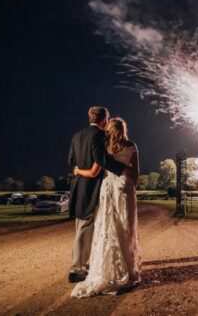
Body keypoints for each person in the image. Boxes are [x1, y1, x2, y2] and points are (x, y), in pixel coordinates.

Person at [71, 117, 141, 297]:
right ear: (124, 129)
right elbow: (136, 172)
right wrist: (130, 184)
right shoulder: (132, 145)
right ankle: (129, 269)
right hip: (125, 186)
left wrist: (78, 171)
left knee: (107, 226)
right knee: (126, 227)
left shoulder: (105, 148)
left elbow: (97, 169)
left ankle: (107, 268)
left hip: (108, 186)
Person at [68, 107, 128, 283]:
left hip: (78, 185)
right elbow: (100, 158)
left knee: (81, 224)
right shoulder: (99, 135)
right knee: (86, 225)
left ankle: (81, 265)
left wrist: (78, 170)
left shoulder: (76, 136)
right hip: (90, 186)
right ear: (104, 119)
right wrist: (123, 169)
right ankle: (76, 269)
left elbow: (70, 161)